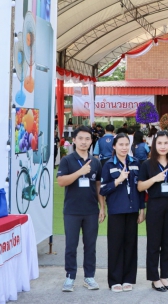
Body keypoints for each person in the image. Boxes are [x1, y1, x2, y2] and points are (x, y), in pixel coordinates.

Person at [57, 125, 105, 292]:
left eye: (87, 139)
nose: (84, 142)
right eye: (80, 138)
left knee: (90, 245)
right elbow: (61, 182)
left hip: (91, 210)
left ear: (91, 141)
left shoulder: (96, 162)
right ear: (74, 140)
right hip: (72, 210)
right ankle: (70, 277)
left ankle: (89, 276)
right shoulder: (67, 160)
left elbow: (98, 185)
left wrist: (102, 207)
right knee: (71, 245)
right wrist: (80, 172)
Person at [138, 131, 168, 291]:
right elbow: (140, 186)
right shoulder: (147, 164)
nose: (163, 146)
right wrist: (154, 179)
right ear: (154, 145)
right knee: (154, 243)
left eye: (166, 143)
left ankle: (164, 276)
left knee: (167, 243)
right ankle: (154, 278)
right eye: (159, 143)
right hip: (155, 204)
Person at [100, 133, 145, 293]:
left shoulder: (136, 163)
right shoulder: (108, 165)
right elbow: (102, 189)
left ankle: (128, 278)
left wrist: (142, 209)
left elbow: (140, 189)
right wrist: (118, 180)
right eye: (121, 145)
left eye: (126, 144)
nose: (124, 148)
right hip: (116, 210)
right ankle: (115, 280)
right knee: (115, 245)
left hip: (132, 210)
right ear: (114, 146)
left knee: (130, 245)